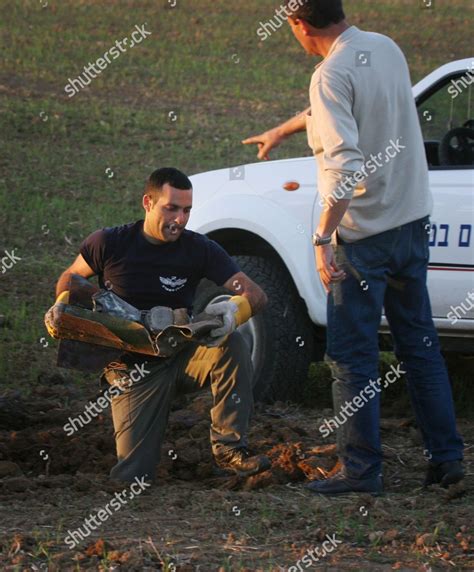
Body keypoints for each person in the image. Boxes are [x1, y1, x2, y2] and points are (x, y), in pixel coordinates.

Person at [243, 0, 464, 494]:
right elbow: (364, 105)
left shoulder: (328, 76)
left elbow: (344, 167)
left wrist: (323, 239)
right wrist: (285, 128)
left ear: (298, 24)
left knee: (350, 357)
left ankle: (361, 471)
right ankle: (447, 461)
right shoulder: (383, 47)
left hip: (365, 238)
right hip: (411, 224)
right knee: (420, 348)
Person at [45, 167, 271, 483]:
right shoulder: (109, 243)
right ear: (148, 203)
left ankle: (229, 449)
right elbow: (71, 278)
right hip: (131, 372)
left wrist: (232, 312)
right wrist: (62, 304)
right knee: (134, 478)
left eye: (187, 210)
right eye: (171, 208)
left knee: (232, 343)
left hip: (181, 355)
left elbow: (255, 293)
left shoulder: (200, 249)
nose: (179, 219)